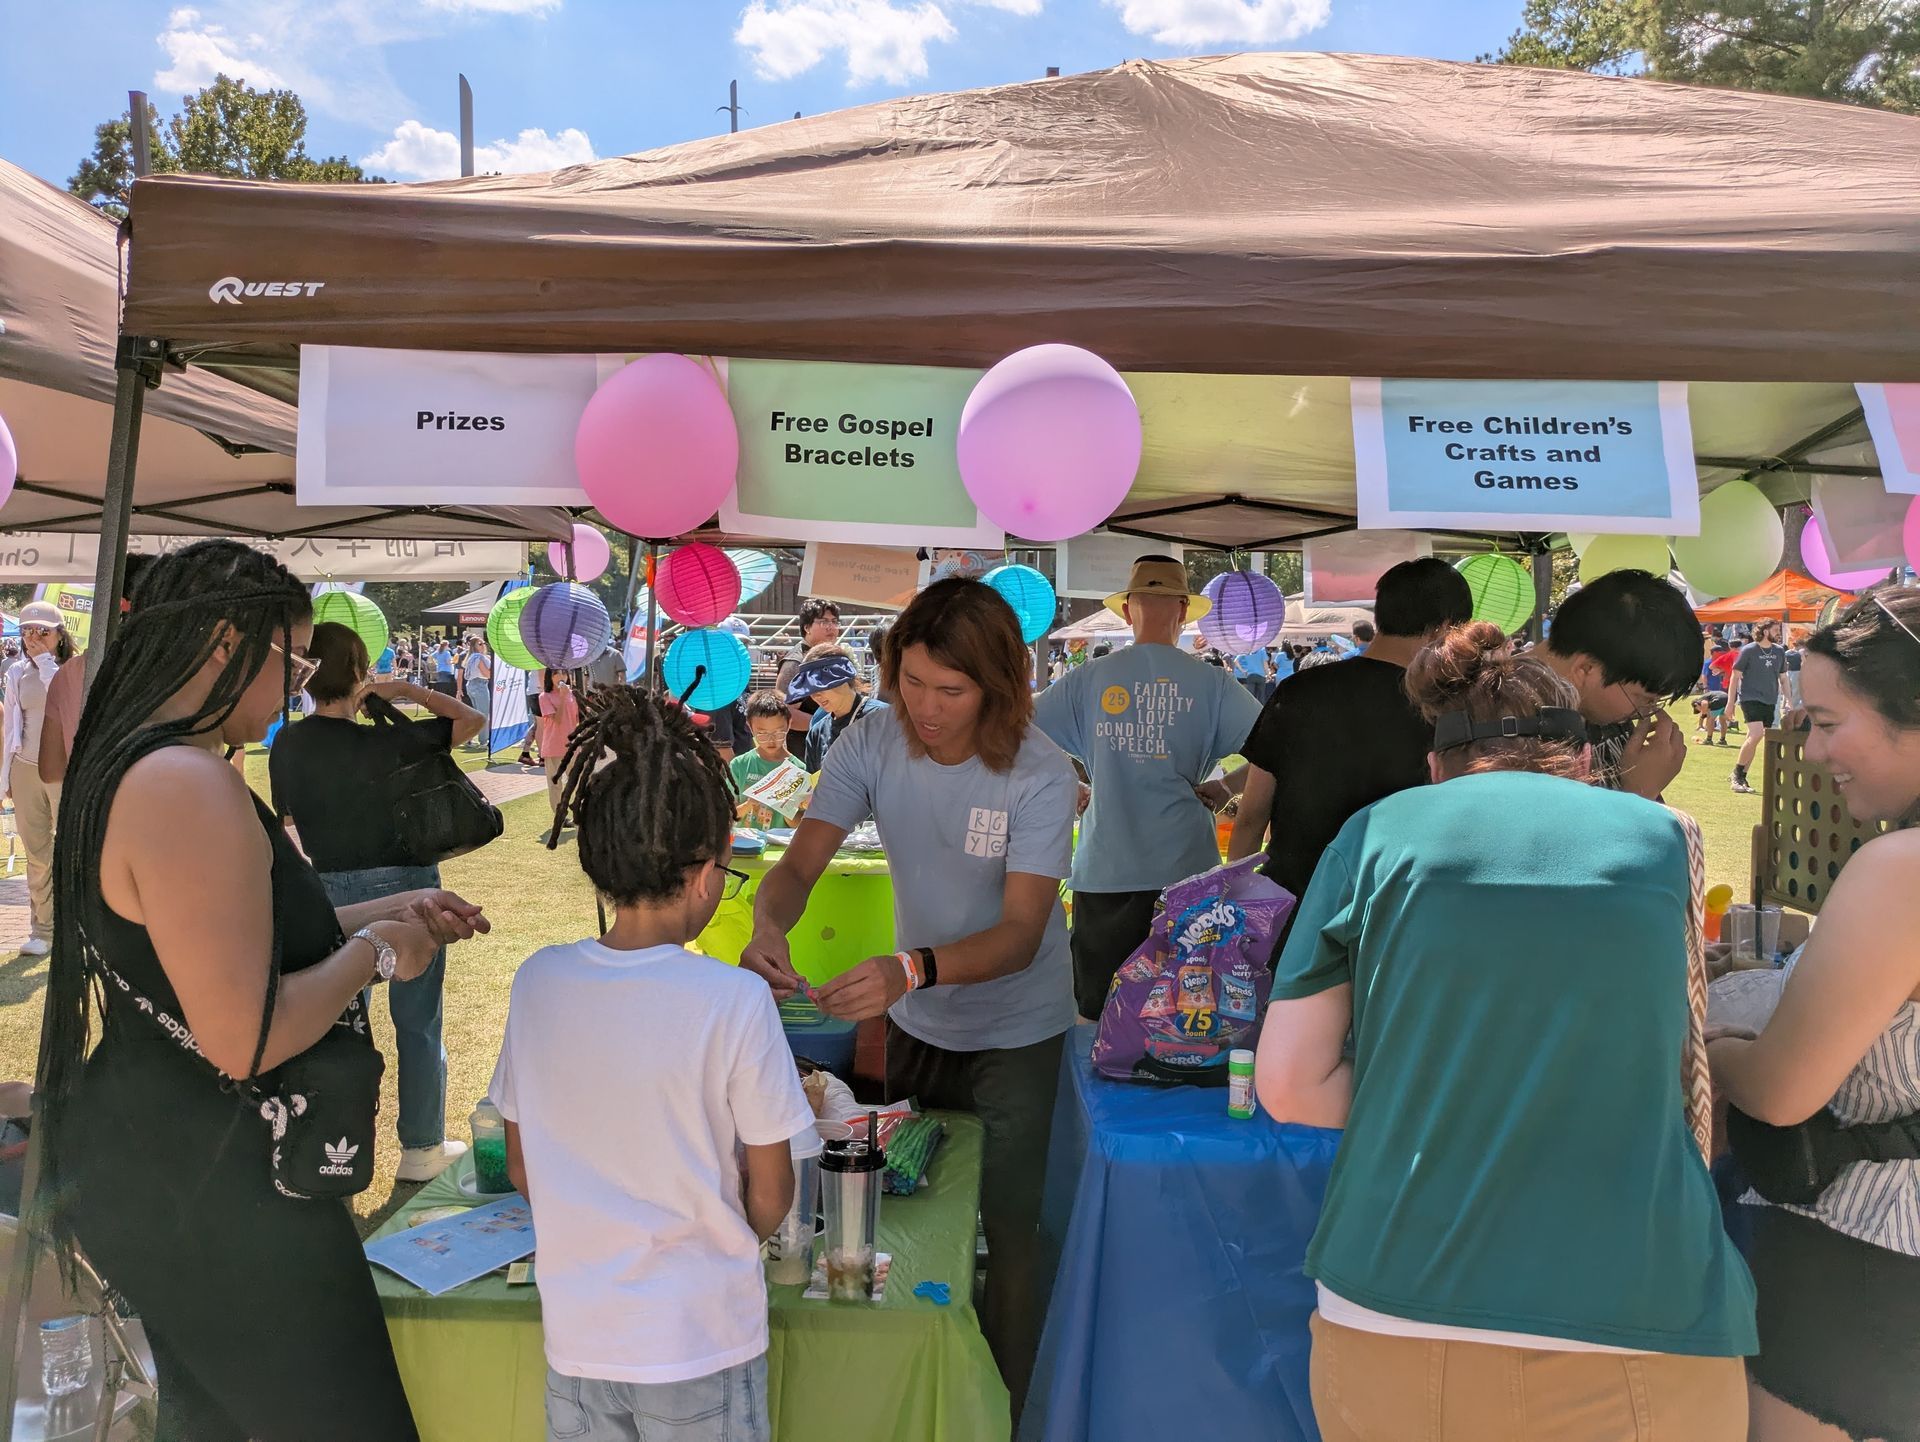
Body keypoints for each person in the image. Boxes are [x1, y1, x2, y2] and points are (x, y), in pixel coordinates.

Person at [1258, 621, 1754, 1442]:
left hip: (1396, 1297)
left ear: (1435, 767)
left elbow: (1289, 1083)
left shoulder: (1376, 834)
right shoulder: (1664, 837)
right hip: (1637, 1302)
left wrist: (1440, 1097)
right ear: (1586, 760)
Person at [39, 540, 488, 1441]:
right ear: (220, 643)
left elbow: (232, 937)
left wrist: (395, 906)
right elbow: (245, 1036)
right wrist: (379, 953)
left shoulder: (148, 763)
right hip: (218, 1187)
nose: (296, 684)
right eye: (292, 659)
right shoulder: (183, 782)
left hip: (174, 1163)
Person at [740, 578, 1077, 1416]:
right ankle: (906, 1399)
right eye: (913, 683)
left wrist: (910, 969)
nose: (927, 708)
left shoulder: (1037, 771)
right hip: (920, 1025)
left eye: (951, 691)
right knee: (902, 1214)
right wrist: (769, 925)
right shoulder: (872, 741)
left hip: (1016, 1033)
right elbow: (798, 866)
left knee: (1011, 1228)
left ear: (999, 685)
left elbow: (1023, 931)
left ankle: (1004, 1403)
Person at [495, 687, 812, 1442]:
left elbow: (520, 1166)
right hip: (699, 1336)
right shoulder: (734, 999)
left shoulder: (539, 980)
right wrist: (715, 1236)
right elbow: (772, 1190)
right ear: (707, 876)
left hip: (580, 1338)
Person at [1708, 588, 1920, 1442]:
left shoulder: (1898, 870)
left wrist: (1715, 1049)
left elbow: (1786, 1089)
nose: (1809, 744)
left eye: (1829, 722)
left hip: (1854, 1258)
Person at [268, 621, 487, 1182]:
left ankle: (336, 1142)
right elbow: (471, 721)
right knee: (418, 1024)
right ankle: (420, 1148)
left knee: (340, 1023)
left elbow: (287, 816)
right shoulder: (389, 736)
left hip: (333, 888)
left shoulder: (288, 741)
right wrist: (407, 692)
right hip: (409, 884)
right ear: (361, 671)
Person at [1035, 555, 1262, 1017]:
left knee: (1100, 1013)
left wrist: (1070, 782)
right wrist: (1226, 788)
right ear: (1183, 610)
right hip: (1186, 868)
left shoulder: (1089, 678)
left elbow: (1018, 731)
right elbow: (1278, 747)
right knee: (1184, 1015)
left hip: (1106, 869)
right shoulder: (1212, 681)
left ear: (1126, 610)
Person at [1229, 558, 1473, 925]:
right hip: (1395, 912)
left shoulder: (1297, 691)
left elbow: (1251, 817)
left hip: (1295, 909)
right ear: (1444, 628)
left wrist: (1233, 906)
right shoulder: (1443, 709)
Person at [1534, 569, 1702, 799]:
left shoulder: (1598, 711)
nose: (1646, 713)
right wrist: (1640, 794)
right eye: (1644, 698)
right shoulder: (1495, 725)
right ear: (1586, 669)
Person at [2, 601, 76, 957]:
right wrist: (6, 779)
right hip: (25, 767)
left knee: (70, 847)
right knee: (37, 854)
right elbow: (11, 728)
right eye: (27, 630)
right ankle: (42, 930)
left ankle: (74, 925)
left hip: (63, 769)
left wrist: (47, 661)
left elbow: (64, 698)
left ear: (60, 635)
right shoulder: (16, 671)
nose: (33, 638)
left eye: (42, 631)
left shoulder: (70, 670)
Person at [786, 645, 889, 774]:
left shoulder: (882, 718)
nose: (816, 696)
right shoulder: (817, 732)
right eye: (811, 689)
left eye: (822, 686)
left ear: (843, 679)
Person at [1728, 619, 1790, 795]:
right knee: (1756, 734)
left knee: (1754, 739)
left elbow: (1784, 678)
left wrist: (1790, 701)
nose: (1779, 633)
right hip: (1750, 698)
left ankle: (1742, 777)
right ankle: (1736, 775)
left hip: (1770, 700)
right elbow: (1734, 677)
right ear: (1764, 631)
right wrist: (1730, 703)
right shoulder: (1749, 650)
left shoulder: (1779, 651)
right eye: (1776, 630)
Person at [774, 599, 842, 759]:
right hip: (802, 751)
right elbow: (784, 712)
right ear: (807, 627)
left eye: (834, 621)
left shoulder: (826, 656)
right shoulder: (796, 663)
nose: (831, 627)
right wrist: (825, 725)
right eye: (824, 622)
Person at [731, 690, 802, 828]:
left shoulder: (798, 768)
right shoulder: (739, 765)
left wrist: (787, 808)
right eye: (762, 733)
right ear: (750, 727)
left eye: (778, 732)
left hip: (779, 847)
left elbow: (798, 824)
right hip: (746, 845)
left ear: (789, 724)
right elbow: (729, 817)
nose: (771, 740)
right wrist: (748, 804)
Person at [535, 668, 581, 834]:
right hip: (553, 746)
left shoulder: (571, 695)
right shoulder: (544, 697)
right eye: (557, 673)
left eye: (564, 673)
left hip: (572, 746)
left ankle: (579, 812)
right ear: (550, 676)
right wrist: (562, 698)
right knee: (555, 784)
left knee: (577, 780)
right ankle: (560, 817)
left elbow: (575, 720)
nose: (562, 677)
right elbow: (558, 719)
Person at [461, 634, 493, 750]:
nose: (483, 645)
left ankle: (468, 739)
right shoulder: (479, 657)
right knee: (483, 715)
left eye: (483, 643)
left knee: (475, 715)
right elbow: (487, 674)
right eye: (480, 643)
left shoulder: (470, 657)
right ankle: (484, 741)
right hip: (480, 685)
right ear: (475, 646)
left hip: (471, 685)